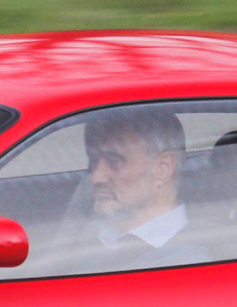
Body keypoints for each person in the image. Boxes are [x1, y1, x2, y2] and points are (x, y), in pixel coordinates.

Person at [81, 105, 203, 265]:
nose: (96, 177)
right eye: (94, 161)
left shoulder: (188, 264)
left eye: (114, 162)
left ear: (163, 169)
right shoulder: (93, 238)